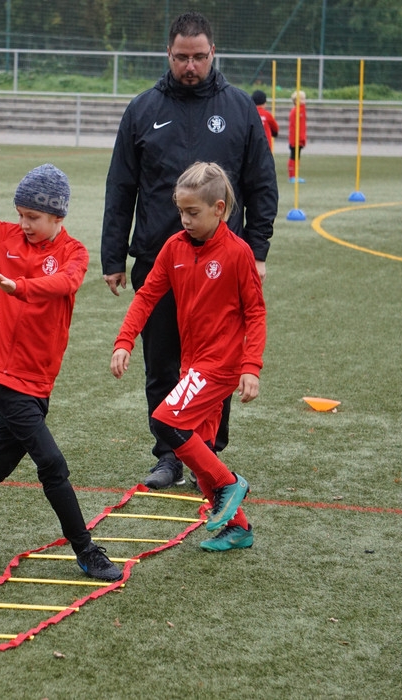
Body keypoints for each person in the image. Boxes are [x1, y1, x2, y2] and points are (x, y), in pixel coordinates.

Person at [0, 120, 123, 582]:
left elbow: (66, 283)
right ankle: (87, 551)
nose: (23, 224)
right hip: (5, 376)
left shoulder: (74, 252)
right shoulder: (2, 238)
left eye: (33, 217)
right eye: (20, 214)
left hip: (39, 380)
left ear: (57, 217)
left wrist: (22, 287)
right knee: (51, 463)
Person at [101, 11, 278, 490]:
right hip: (160, 261)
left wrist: (257, 249)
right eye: (182, 57)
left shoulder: (239, 109)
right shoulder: (143, 109)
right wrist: (113, 256)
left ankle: (208, 452)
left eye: (199, 56)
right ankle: (168, 455)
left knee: (214, 365)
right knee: (162, 366)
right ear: (168, 53)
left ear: (213, 52)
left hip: (221, 266)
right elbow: (120, 186)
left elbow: (262, 185)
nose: (191, 66)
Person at [110, 161, 265, 552]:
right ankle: (239, 529)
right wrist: (125, 341)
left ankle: (230, 484)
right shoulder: (174, 247)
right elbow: (146, 296)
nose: (184, 219)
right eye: (180, 211)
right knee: (199, 451)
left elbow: (256, 313)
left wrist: (250, 367)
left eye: (193, 212)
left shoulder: (238, 253)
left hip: (220, 365)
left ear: (219, 209)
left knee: (165, 420)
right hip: (192, 365)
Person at [288, 90, 308, 183]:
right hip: (295, 139)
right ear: (296, 100)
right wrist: (298, 138)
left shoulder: (302, 110)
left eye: (304, 99)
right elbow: (294, 127)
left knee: (297, 157)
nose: (304, 101)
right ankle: (292, 176)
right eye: (302, 99)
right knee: (293, 157)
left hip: (299, 138)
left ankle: (295, 175)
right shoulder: (295, 111)